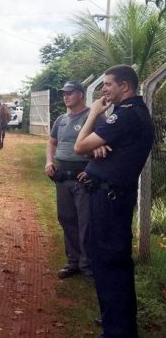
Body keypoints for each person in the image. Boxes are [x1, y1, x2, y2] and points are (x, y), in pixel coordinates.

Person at [74, 65, 154, 338]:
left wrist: (94, 112)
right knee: (112, 264)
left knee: (110, 264)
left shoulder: (127, 115)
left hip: (110, 200)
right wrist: (98, 144)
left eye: (108, 84)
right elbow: (99, 144)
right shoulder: (128, 114)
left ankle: (117, 331)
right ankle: (116, 321)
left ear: (125, 86)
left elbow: (79, 145)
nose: (104, 90)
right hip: (111, 196)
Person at [45, 80, 93, 281]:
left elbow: (103, 145)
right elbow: (52, 141)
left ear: (80, 95)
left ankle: (88, 266)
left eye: (70, 93)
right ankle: (73, 262)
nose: (65, 96)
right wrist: (49, 161)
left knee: (86, 223)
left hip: (82, 178)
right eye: (64, 93)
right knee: (66, 219)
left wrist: (91, 169)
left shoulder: (92, 117)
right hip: (62, 178)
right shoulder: (61, 120)